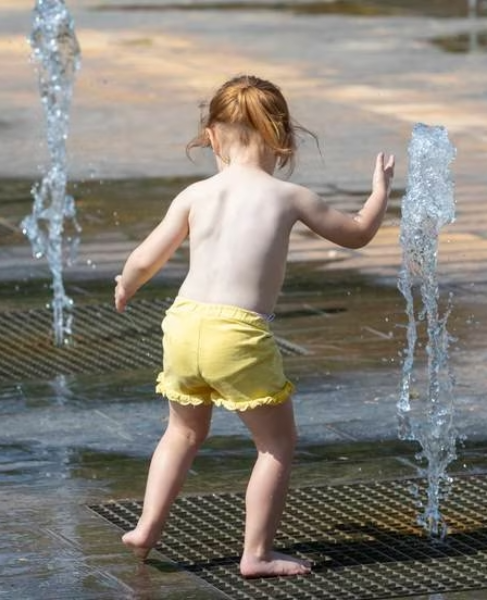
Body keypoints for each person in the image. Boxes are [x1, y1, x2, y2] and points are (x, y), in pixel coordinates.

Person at [114, 74, 395, 578]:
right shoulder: (288, 196)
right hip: (238, 335)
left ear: (212, 137)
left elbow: (144, 258)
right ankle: (257, 554)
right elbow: (356, 234)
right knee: (275, 445)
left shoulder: (194, 195)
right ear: (283, 140)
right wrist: (380, 191)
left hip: (182, 324)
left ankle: (147, 527)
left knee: (181, 432)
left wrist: (126, 285)